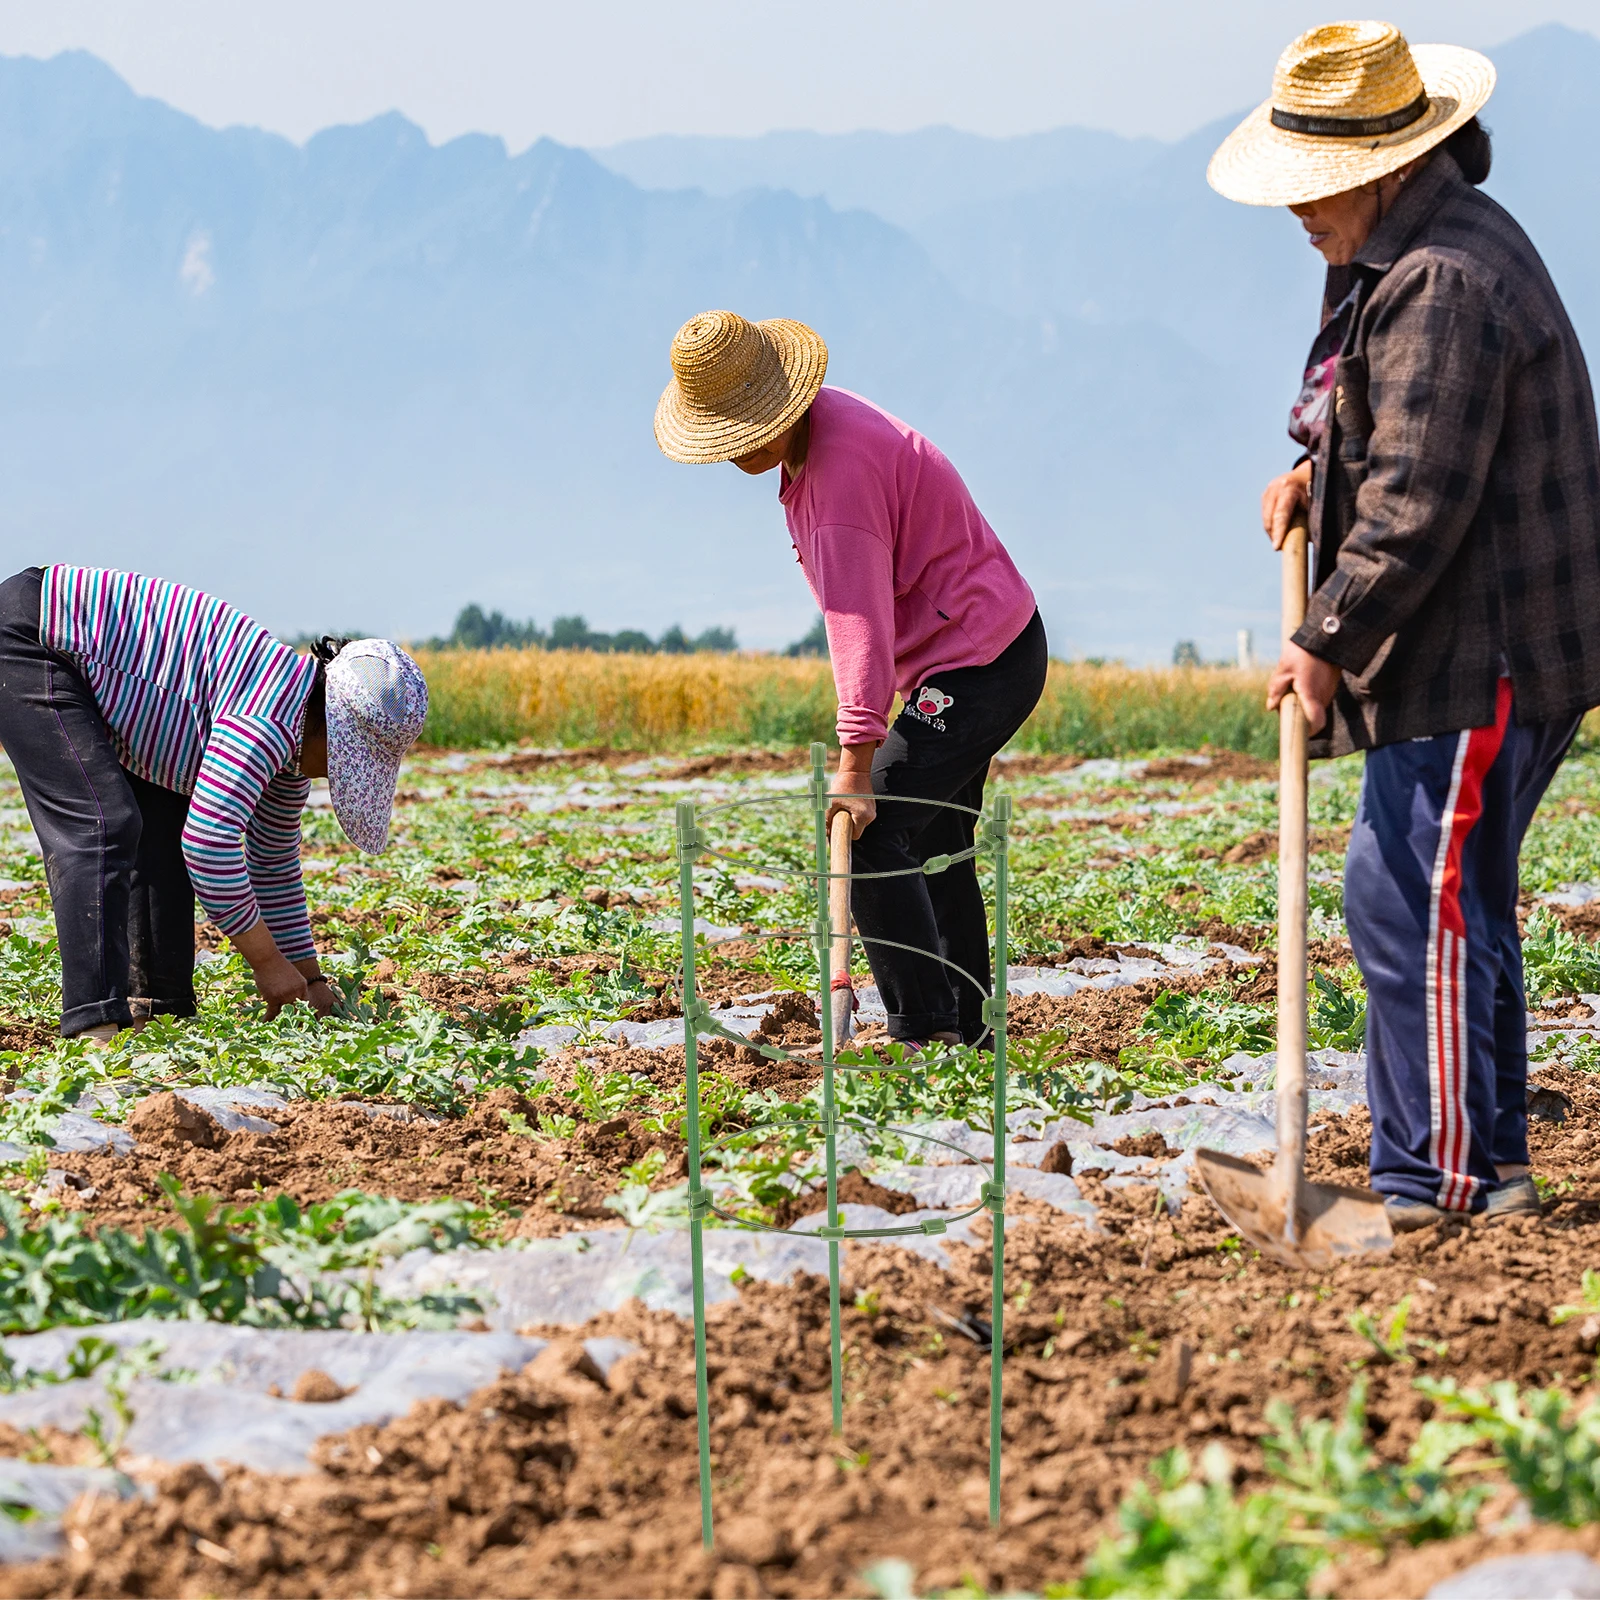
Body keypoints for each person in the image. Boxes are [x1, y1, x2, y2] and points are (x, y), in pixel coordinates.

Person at [1210, 22, 1600, 1228]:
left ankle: (1434, 1180)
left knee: (1406, 900)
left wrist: (1322, 637)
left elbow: (1417, 499)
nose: (1297, 211)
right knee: (1450, 897)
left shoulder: (1441, 279)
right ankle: (1485, 1171)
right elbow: (1383, 425)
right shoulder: (1402, 250)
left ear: (1380, 168)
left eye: (1314, 186)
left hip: (1481, 648)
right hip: (1465, 639)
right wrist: (1311, 472)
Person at [655, 310, 1046, 1048]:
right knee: (931, 837)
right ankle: (968, 1030)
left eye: (735, 434)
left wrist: (855, 763)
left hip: (979, 660)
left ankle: (927, 1031)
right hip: (984, 648)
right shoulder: (818, 432)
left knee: (870, 828)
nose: (729, 453)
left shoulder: (839, 481)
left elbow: (858, 623)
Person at [0, 565, 428, 1040]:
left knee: (161, 828)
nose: (335, 773)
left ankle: (156, 1013)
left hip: (116, 688)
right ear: (329, 725)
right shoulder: (268, 719)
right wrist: (267, 964)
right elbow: (208, 845)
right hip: (38, 635)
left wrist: (309, 979)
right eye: (347, 759)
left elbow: (273, 863)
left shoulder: (293, 752)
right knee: (104, 825)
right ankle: (94, 1024)